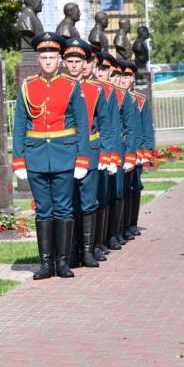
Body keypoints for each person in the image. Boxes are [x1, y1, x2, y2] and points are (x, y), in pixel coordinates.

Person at [12, 32, 89, 279]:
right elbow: (20, 124)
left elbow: (82, 124)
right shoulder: (28, 87)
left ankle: (63, 262)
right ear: (38, 60)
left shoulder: (71, 85)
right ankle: (46, 264)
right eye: (43, 57)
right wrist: (18, 159)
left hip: (64, 155)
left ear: (60, 60)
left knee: (64, 209)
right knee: (43, 210)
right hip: (35, 156)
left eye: (52, 57)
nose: (47, 61)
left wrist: (82, 158)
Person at [61, 39, 113, 268]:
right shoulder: (59, 87)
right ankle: (71, 251)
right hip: (65, 151)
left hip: (90, 151)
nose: (74, 66)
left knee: (88, 202)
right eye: (70, 61)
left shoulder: (95, 89)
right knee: (68, 203)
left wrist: (106, 155)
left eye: (78, 61)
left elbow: (105, 124)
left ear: (85, 63)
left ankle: (88, 250)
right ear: (64, 63)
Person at [107, 57, 138, 249]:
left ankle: (117, 231)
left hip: (119, 147)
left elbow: (133, 127)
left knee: (121, 192)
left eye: (125, 75)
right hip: (101, 148)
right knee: (103, 196)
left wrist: (135, 152)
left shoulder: (123, 96)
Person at [91, 52, 120, 258]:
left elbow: (110, 126)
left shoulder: (108, 91)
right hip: (79, 151)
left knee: (104, 197)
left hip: (101, 150)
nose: (100, 71)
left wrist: (109, 155)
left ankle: (102, 240)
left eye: (102, 68)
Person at [125, 60, 155, 237]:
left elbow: (146, 128)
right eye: (121, 76)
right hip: (121, 150)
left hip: (136, 150)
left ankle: (132, 223)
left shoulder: (140, 100)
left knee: (135, 186)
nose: (124, 79)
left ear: (133, 78)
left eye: (128, 76)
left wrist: (146, 151)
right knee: (122, 189)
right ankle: (123, 225)